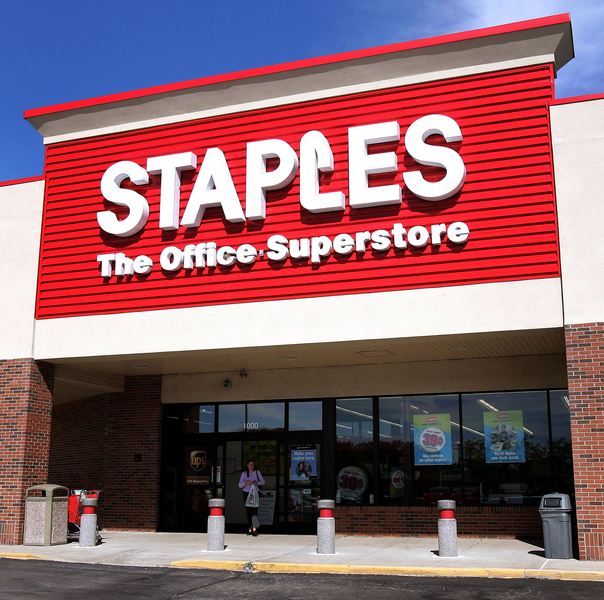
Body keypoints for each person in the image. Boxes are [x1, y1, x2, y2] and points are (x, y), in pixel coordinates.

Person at [238, 459, 265, 536]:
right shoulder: (244, 474)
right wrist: (245, 482)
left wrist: (257, 483)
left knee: (254, 510)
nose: (251, 466)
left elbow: (263, 481)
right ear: (247, 465)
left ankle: (254, 528)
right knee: (248, 511)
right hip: (247, 493)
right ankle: (249, 528)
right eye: (250, 464)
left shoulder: (257, 472)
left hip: (255, 492)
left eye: (252, 464)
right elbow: (239, 485)